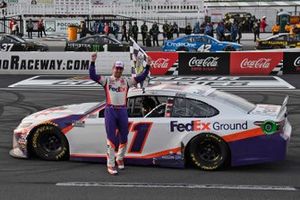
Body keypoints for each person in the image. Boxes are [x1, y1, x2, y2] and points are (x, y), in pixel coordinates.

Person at [89, 53, 152, 175]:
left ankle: (120, 158)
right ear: (113, 68)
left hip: (122, 110)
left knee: (124, 137)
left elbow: (141, 77)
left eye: (120, 68)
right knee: (111, 139)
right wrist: (92, 62)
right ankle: (111, 164)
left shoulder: (126, 81)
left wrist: (148, 66)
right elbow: (92, 75)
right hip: (110, 111)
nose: (118, 70)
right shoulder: (106, 80)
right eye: (116, 68)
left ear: (122, 70)